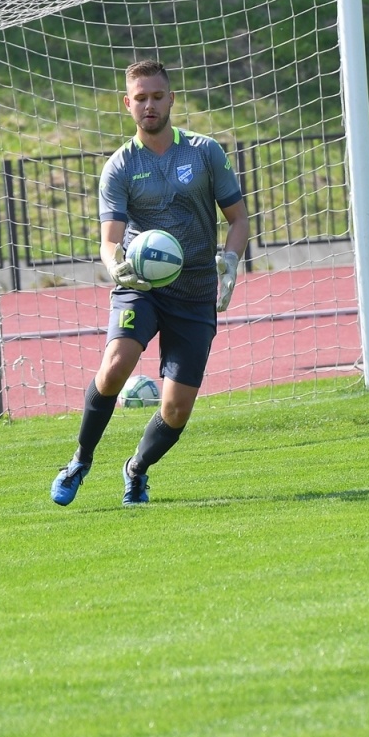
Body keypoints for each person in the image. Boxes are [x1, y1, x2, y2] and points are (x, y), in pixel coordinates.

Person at [50, 60, 250, 506]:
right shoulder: (120, 166)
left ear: (171, 98)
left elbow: (237, 219)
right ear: (128, 103)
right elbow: (109, 241)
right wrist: (113, 265)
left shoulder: (204, 152)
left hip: (197, 291)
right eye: (140, 98)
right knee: (116, 364)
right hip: (140, 285)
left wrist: (231, 261)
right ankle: (81, 460)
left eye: (157, 96)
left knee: (176, 409)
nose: (150, 105)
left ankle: (136, 469)